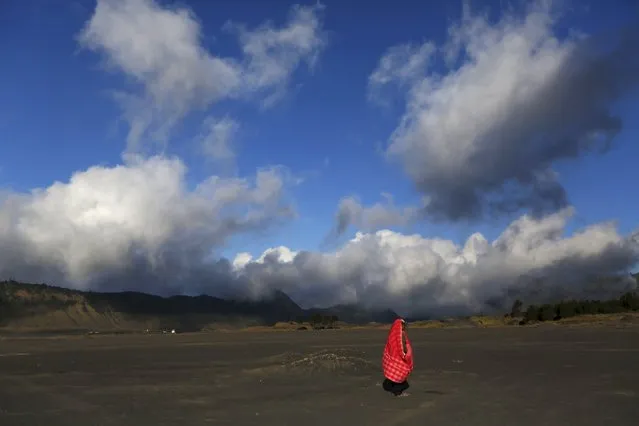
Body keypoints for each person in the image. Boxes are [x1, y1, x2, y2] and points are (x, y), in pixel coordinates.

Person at [381, 318, 413, 397]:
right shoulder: (400, 334)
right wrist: (405, 354)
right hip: (398, 357)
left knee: (395, 375)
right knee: (400, 374)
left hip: (394, 357)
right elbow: (402, 345)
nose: (403, 327)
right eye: (402, 325)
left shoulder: (393, 334)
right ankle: (397, 393)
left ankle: (393, 389)